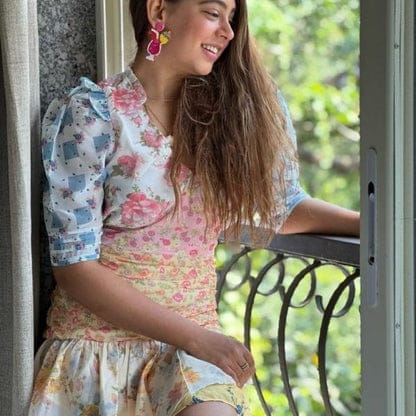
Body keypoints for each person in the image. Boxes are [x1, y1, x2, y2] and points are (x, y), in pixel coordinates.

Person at [29, 0, 360, 415]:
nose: (229, 32)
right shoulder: (93, 116)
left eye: (232, 18)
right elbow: (75, 268)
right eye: (213, 13)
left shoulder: (230, 117)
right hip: (97, 351)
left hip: (190, 359)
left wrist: (372, 224)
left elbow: (283, 208)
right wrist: (198, 338)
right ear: (159, 12)